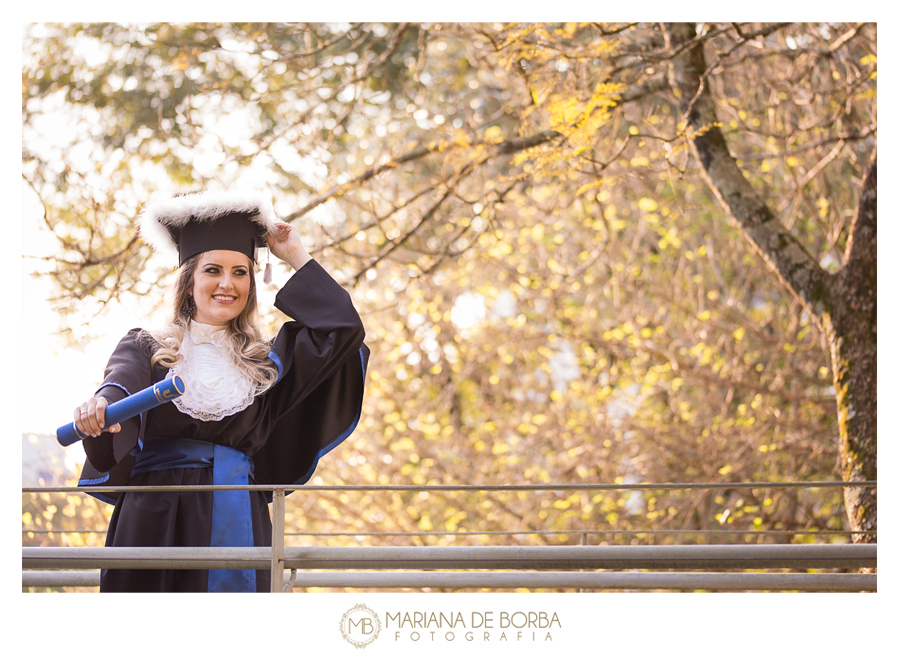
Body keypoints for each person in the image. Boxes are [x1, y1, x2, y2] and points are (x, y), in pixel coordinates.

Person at [73, 189, 369, 592]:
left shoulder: (268, 365)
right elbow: (119, 384)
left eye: (240, 272)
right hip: (151, 518)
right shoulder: (147, 346)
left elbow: (343, 331)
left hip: (239, 517)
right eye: (213, 270)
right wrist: (101, 409)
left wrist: (295, 255)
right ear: (189, 280)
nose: (227, 284)